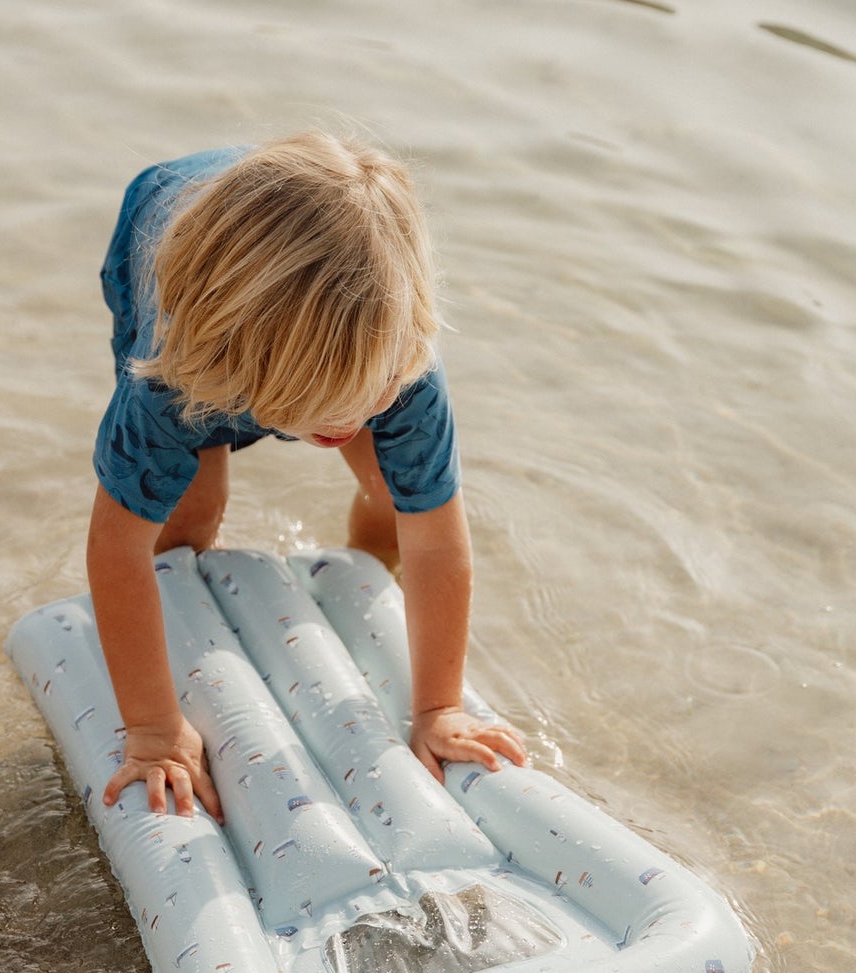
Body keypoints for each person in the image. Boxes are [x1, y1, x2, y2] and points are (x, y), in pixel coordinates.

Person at [86, 131, 527, 821]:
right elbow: (117, 551)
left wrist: (439, 705)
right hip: (169, 247)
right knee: (190, 508)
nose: (352, 418)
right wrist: (152, 729)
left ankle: (362, 569)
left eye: (366, 398)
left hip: (305, 296)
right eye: (323, 410)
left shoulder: (402, 366)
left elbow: (438, 541)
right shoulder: (171, 383)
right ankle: (194, 600)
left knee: (396, 490)